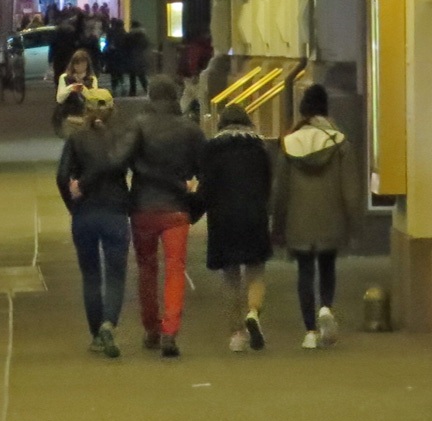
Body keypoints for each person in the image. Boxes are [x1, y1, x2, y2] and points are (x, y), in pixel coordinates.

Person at [113, 77, 204, 357]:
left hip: (143, 207)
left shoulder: (139, 125)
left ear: (151, 97)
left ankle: (151, 327)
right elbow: (205, 170)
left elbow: (119, 160)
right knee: (175, 269)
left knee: (146, 269)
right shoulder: (190, 129)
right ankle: (170, 330)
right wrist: (193, 204)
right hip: (176, 208)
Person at [272, 83, 366, 349]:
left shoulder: (289, 144)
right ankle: (326, 306)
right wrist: (354, 224)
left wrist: (277, 225)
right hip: (331, 218)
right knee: (327, 266)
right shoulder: (340, 142)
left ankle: (310, 331)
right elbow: (351, 189)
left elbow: (280, 190)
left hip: (298, 221)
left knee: (304, 271)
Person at [56, 87, 131, 358]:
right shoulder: (122, 139)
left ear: (85, 111)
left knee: (90, 276)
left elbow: (62, 175)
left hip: (85, 214)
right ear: (112, 110)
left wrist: (73, 204)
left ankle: (96, 335)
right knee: (115, 274)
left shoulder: (76, 140)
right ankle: (109, 322)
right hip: (115, 212)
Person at [201, 103, 274, 352]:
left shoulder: (212, 149)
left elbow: (206, 188)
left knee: (231, 277)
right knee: (256, 272)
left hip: (223, 219)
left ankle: (237, 335)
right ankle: (253, 312)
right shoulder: (259, 148)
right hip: (254, 216)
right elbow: (267, 184)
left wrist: (192, 208)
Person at [52, 47, 98, 134]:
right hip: (68, 113)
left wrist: (82, 89)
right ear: (73, 65)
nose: (80, 67)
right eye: (77, 64)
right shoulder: (65, 77)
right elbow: (59, 99)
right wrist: (71, 88)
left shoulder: (92, 79)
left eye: (83, 64)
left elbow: (93, 99)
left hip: (85, 113)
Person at [121, 20, 150, 97]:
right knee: (142, 75)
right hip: (140, 57)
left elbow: (125, 46)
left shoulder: (129, 36)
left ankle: (132, 91)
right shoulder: (143, 36)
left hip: (131, 57)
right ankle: (147, 89)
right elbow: (146, 45)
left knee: (132, 77)